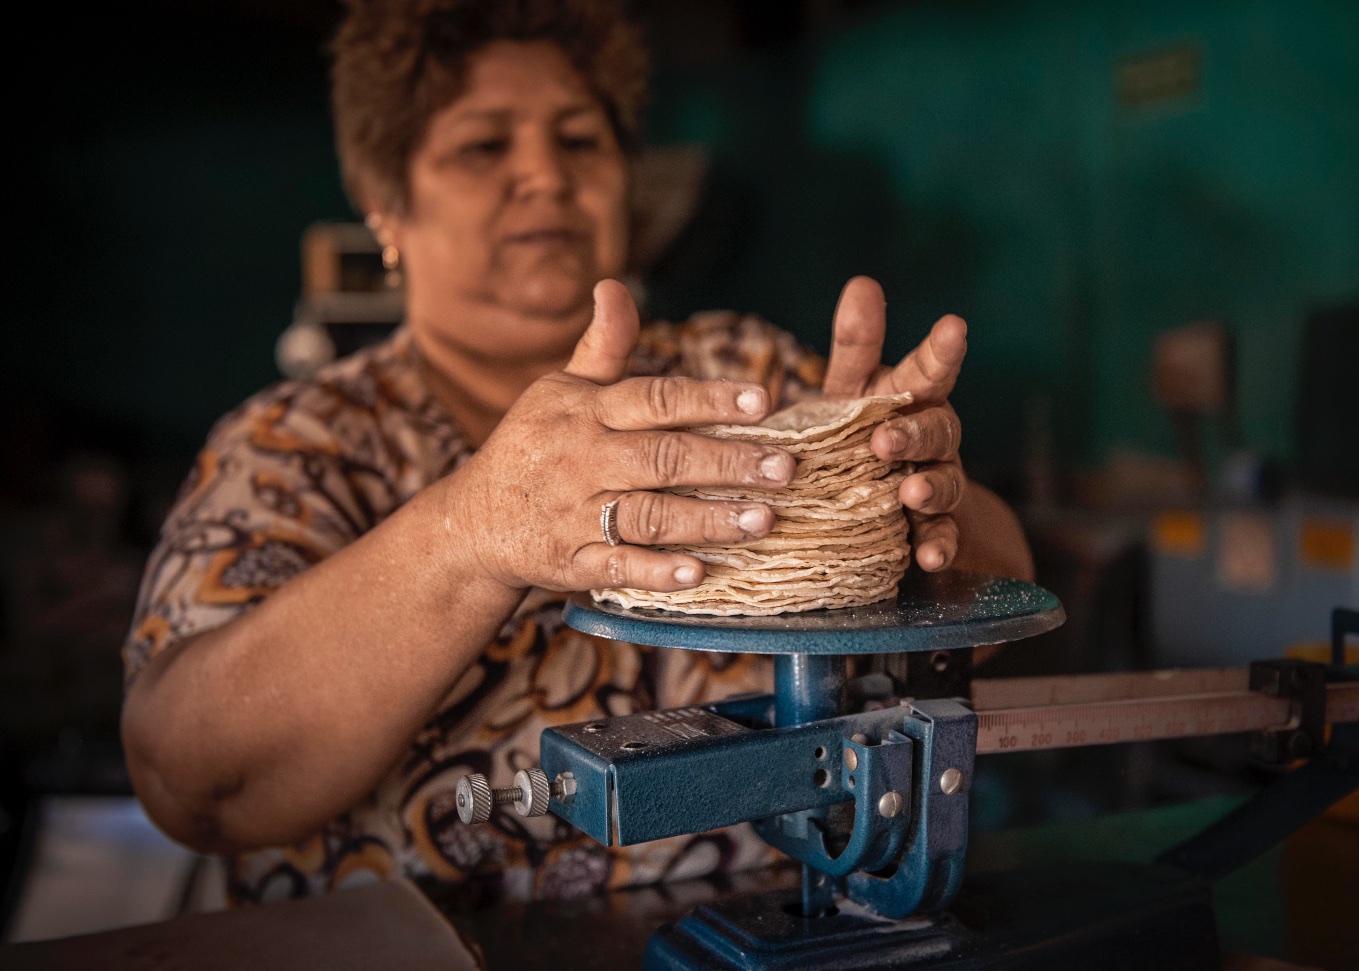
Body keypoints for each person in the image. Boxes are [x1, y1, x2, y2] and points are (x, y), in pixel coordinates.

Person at [120, 0, 1033, 905]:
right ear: (386, 204)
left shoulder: (745, 373)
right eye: (485, 146)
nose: (545, 176)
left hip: (775, 931)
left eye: (579, 141)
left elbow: (999, 578)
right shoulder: (301, 444)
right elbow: (189, 780)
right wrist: (473, 528)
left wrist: (882, 497)